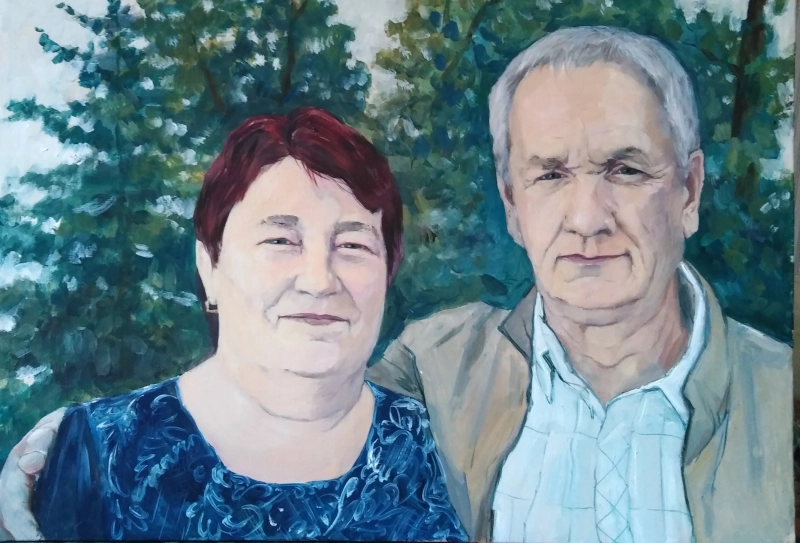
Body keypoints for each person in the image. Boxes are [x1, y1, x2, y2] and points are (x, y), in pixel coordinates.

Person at [0, 26, 793, 543]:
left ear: (689, 190)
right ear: (512, 204)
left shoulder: (781, 403)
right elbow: (284, 386)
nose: (587, 217)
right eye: (550, 174)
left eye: (624, 169)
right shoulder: (443, 367)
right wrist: (68, 453)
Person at [0, 106, 467, 542]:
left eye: (352, 246)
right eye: (281, 240)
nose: (320, 280)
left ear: (388, 270)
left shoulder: (437, 442)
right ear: (210, 265)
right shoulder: (95, 454)